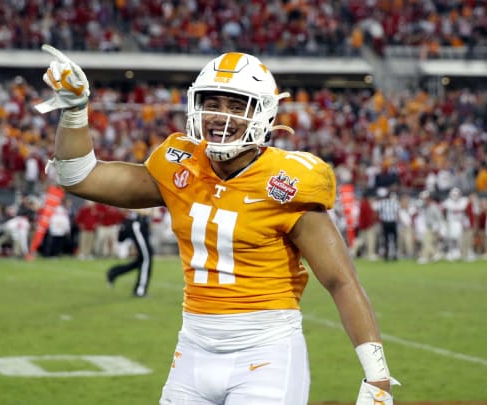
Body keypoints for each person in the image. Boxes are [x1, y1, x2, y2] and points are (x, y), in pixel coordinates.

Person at [36, 45, 398, 404]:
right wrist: (74, 111)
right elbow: (79, 177)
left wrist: (378, 376)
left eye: (236, 105)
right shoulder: (180, 164)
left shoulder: (287, 182)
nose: (220, 116)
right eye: (213, 103)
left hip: (266, 353)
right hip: (193, 349)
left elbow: (340, 280)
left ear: (263, 113)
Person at [107, 208, 154, 297]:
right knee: (146, 258)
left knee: (141, 260)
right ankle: (140, 290)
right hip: (137, 224)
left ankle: (114, 272)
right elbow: (128, 205)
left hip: (143, 225)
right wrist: (143, 211)